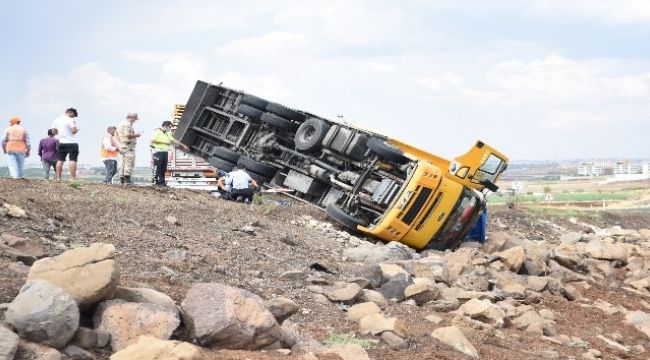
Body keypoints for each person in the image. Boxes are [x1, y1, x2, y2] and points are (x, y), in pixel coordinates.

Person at [150, 121, 189, 187]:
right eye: (169, 127)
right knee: (157, 167)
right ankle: (155, 182)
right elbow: (153, 140)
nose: (170, 129)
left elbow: (174, 140)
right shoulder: (157, 131)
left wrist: (183, 145)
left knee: (163, 168)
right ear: (166, 126)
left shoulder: (168, 132)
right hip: (157, 152)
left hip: (165, 152)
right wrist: (164, 142)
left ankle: (162, 182)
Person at [51, 108, 79, 181]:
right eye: (73, 116)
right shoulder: (70, 120)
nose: (73, 117)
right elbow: (73, 131)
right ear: (71, 113)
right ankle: (72, 178)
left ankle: (58, 178)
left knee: (60, 160)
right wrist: (76, 129)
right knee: (72, 160)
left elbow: (53, 132)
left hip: (61, 142)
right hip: (72, 142)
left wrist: (60, 133)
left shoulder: (56, 120)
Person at [116, 112, 141, 185]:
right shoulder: (127, 124)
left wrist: (119, 143)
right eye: (135, 119)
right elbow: (127, 134)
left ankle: (122, 178)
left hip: (123, 145)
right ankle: (127, 178)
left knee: (124, 162)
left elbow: (116, 134)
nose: (135, 121)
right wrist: (137, 135)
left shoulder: (121, 124)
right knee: (129, 162)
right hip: (128, 146)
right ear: (132, 118)